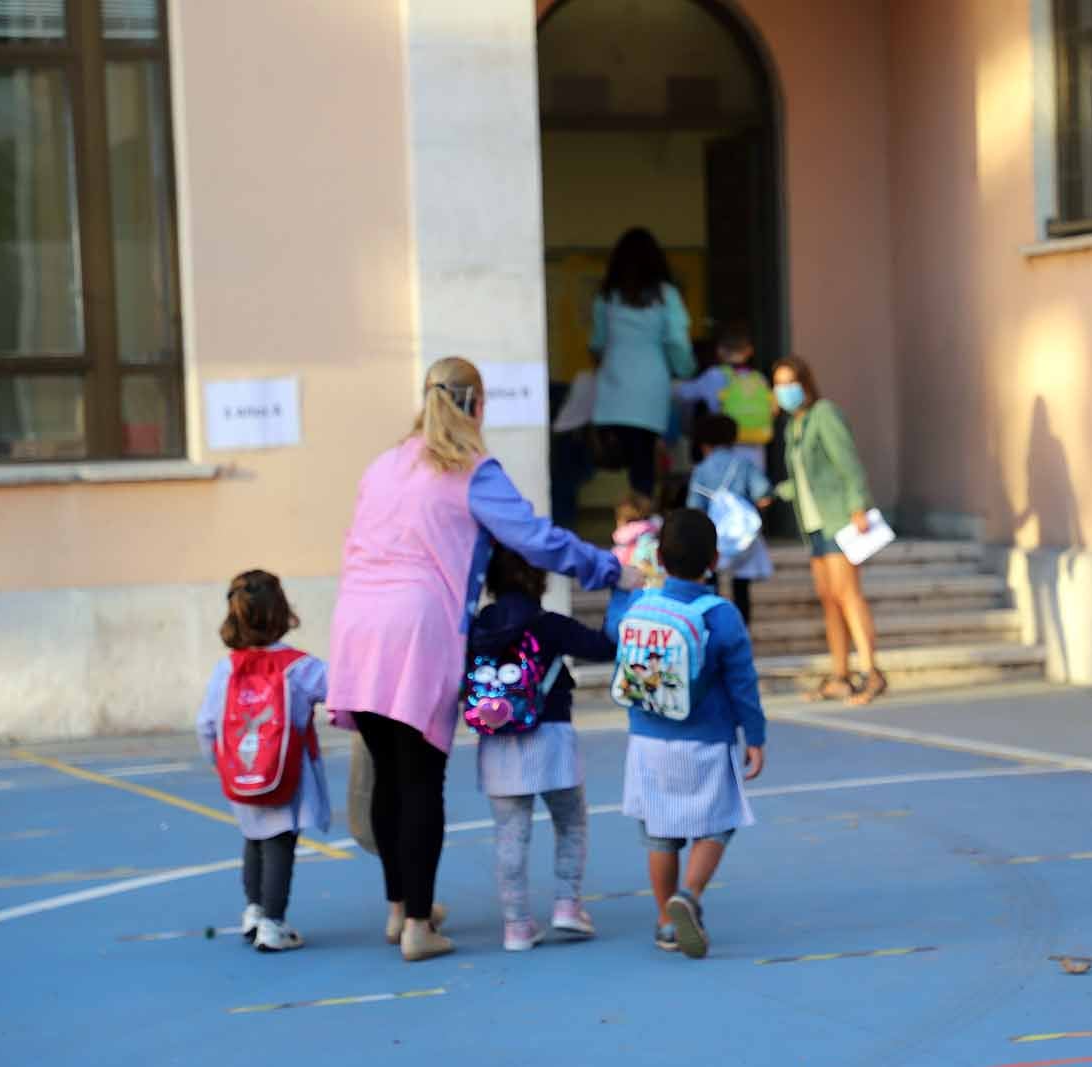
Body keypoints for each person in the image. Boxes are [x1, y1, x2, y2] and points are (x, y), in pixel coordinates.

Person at [327, 357, 640, 963]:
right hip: (416, 626)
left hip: (356, 623)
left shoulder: (382, 466)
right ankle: (420, 926)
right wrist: (608, 568)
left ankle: (400, 909)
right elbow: (536, 539)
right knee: (421, 779)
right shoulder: (471, 471)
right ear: (475, 406)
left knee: (389, 776)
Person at [606, 510, 766, 959]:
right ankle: (689, 895)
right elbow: (742, 683)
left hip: (647, 739)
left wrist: (622, 586)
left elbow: (612, 633)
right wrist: (753, 734)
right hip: (708, 738)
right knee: (719, 823)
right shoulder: (721, 615)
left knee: (660, 835)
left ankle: (664, 921)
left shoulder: (640, 607)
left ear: (658, 556)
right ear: (714, 559)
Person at [469, 546, 617, 952]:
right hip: (552, 737)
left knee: (510, 836)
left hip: (497, 744)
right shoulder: (548, 625)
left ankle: (516, 925)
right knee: (570, 822)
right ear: (540, 578)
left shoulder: (477, 626)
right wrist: (620, 597)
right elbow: (605, 647)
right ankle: (567, 905)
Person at [197, 570, 330, 953]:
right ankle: (274, 922)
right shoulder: (299, 666)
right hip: (287, 773)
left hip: (243, 769)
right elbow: (340, 692)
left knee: (253, 838)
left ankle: (254, 911)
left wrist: (219, 763)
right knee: (279, 843)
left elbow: (205, 723)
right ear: (282, 613)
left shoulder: (227, 668)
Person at [772, 355, 887, 705]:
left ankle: (871, 673)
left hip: (840, 519)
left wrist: (858, 505)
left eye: (790, 382)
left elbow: (847, 461)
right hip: (814, 525)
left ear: (805, 383)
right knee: (829, 599)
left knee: (848, 594)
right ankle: (840, 675)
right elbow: (803, 480)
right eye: (778, 384)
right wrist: (774, 493)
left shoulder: (825, 414)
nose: (784, 391)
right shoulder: (794, 425)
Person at [589, 228, 697, 497]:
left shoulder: (606, 297)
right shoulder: (666, 295)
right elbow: (676, 341)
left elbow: (597, 343)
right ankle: (644, 520)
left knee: (619, 457)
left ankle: (627, 518)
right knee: (645, 457)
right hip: (651, 385)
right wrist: (685, 370)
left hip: (613, 385)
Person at [687, 413, 773, 625]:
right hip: (744, 539)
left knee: (711, 587)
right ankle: (742, 632)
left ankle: (715, 630)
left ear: (704, 443)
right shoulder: (743, 464)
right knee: (741, 588)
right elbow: (764, 496)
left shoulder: (701, 469)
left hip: (713, 537)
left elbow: (694, 508)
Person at [674, 323, 774, 473]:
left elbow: (682, 393)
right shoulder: (759, 379)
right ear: (749, 351)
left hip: (725, 455)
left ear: (720, 351)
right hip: (756, 455)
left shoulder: (714, 376)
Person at [612, 490, 664, 589]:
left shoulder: (620, 545)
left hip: (622, 591)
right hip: (644, 592)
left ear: (621, 520)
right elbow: (647, 567)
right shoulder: (649, 538)